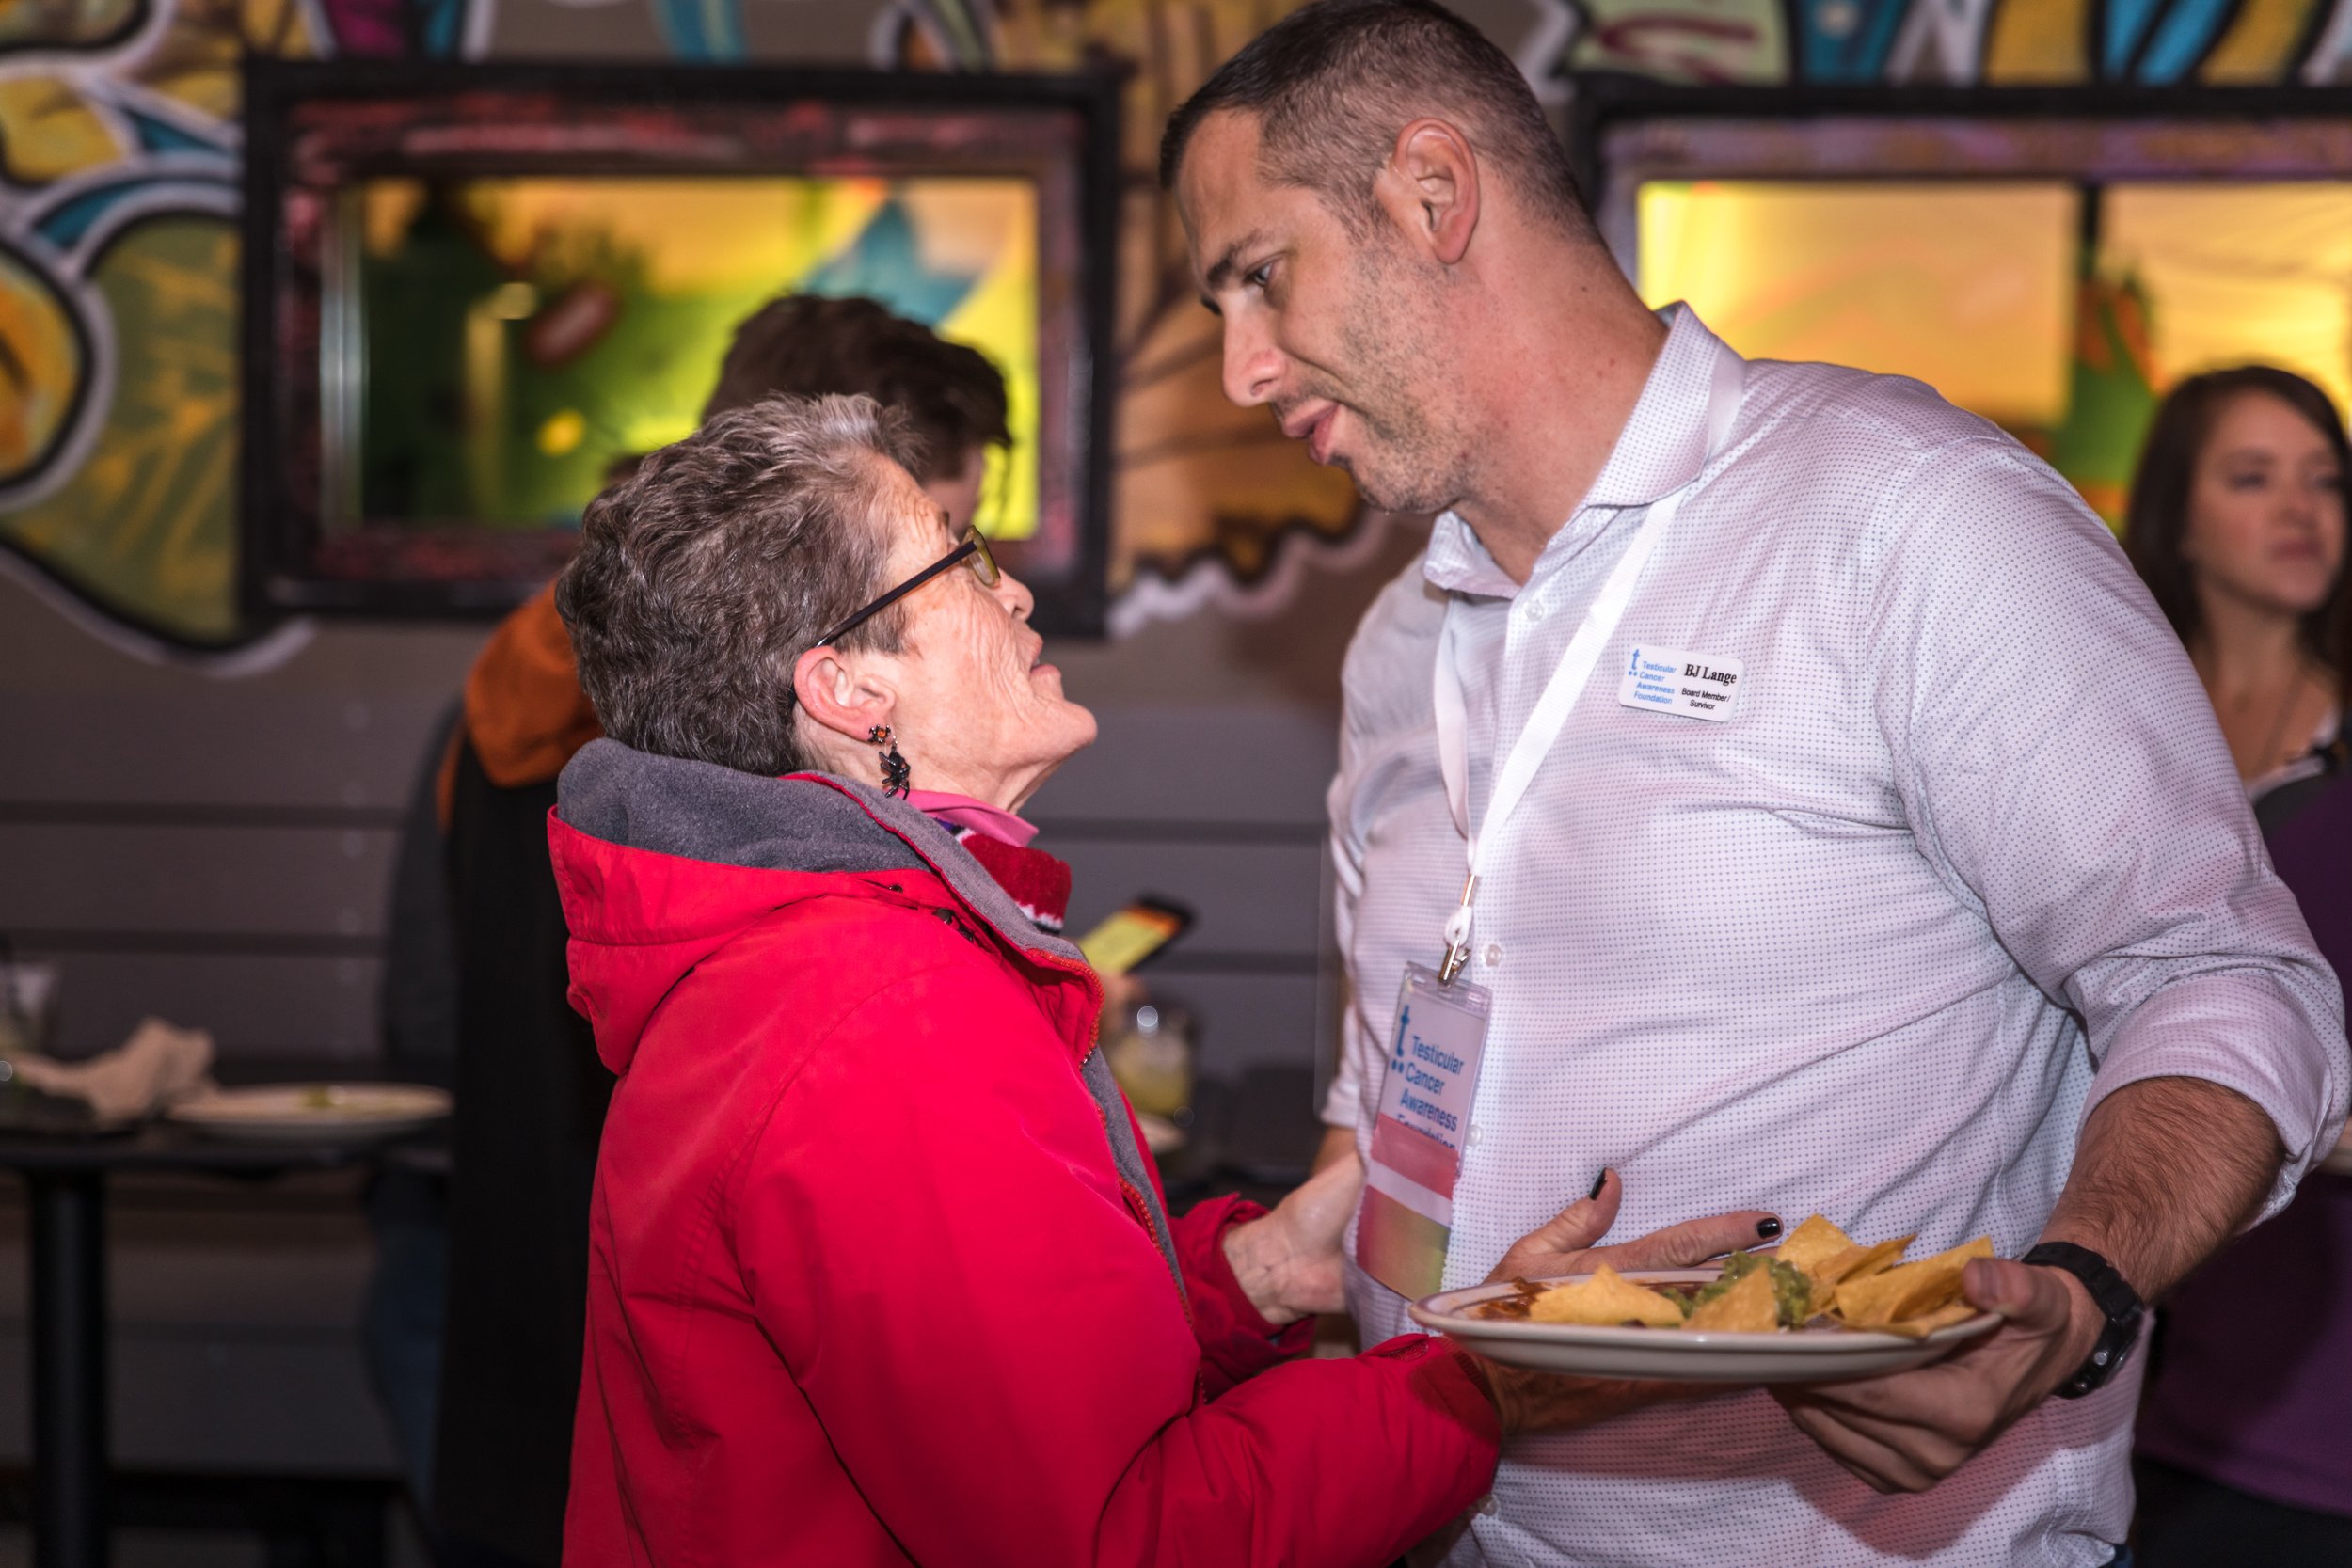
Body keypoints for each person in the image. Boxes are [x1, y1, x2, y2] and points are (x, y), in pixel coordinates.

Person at [1160, 3, 2348, 1564]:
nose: (1242, 369)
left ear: (1433, 196)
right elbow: (1399, 1076)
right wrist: (1337, 1238)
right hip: (1441, 1527)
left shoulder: (1914, 519)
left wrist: (2078, 1294)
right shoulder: (1402, 640)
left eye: (1262, 275)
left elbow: (2227, 980)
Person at [547, 392, 1781, 1566]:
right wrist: (1503, 1369)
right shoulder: (880, 1011)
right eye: (962, 558)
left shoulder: (804, 960)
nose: (1015, 588)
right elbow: (1130, 1537)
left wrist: (1256, 1275)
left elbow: (973, 1385)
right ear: (850, 687)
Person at [430, 294, 1015, 1568]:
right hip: (700, 1404)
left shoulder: (522, 676)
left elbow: (420, 1003)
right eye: (946, 542)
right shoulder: (723, 749)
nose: (984, 585)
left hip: (528, 1329)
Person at [2120, 366, 2352, 1561]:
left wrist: (2277, 1109)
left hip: (2317, 1391)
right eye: (2252, 477)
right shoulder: (2115, 732)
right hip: (2130, 1354)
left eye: (2324, 479)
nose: (2299, 508)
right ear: (2179, 515)